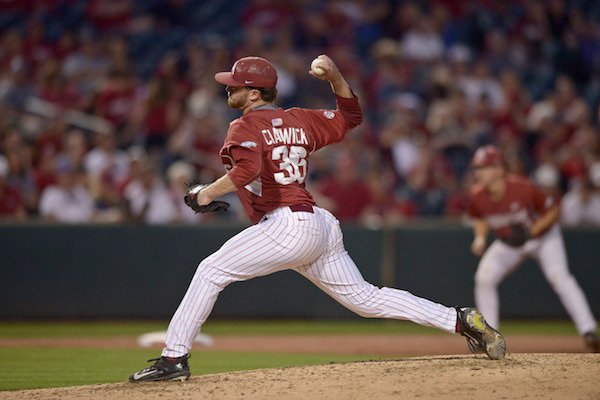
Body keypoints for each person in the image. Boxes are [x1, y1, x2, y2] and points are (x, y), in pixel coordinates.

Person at [129, 55, 506, 383]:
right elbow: (351, 116)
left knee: (210, 271)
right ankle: (460, 319)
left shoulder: (243, 126)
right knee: (365, 299)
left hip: (286, 226)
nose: (228, 91)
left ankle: (173, 358)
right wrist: (336, 78)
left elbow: (246, 169)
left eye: (235, 87)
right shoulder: (302, 120)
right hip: (319, 225)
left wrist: (204, 193)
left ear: (254, 93)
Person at [466, 145, 599, 353]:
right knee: (484, 277)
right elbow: (479, 217)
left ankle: (588, 330)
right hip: (510, 242)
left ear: (500, 169)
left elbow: (553, 210)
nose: (479, 172)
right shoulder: (477, 195)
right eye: (478, 168)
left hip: (543, 238)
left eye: (485, 167)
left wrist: (532, 232)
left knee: (559, 277)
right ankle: (489, 337)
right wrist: (480, 238)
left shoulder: (523, 188)